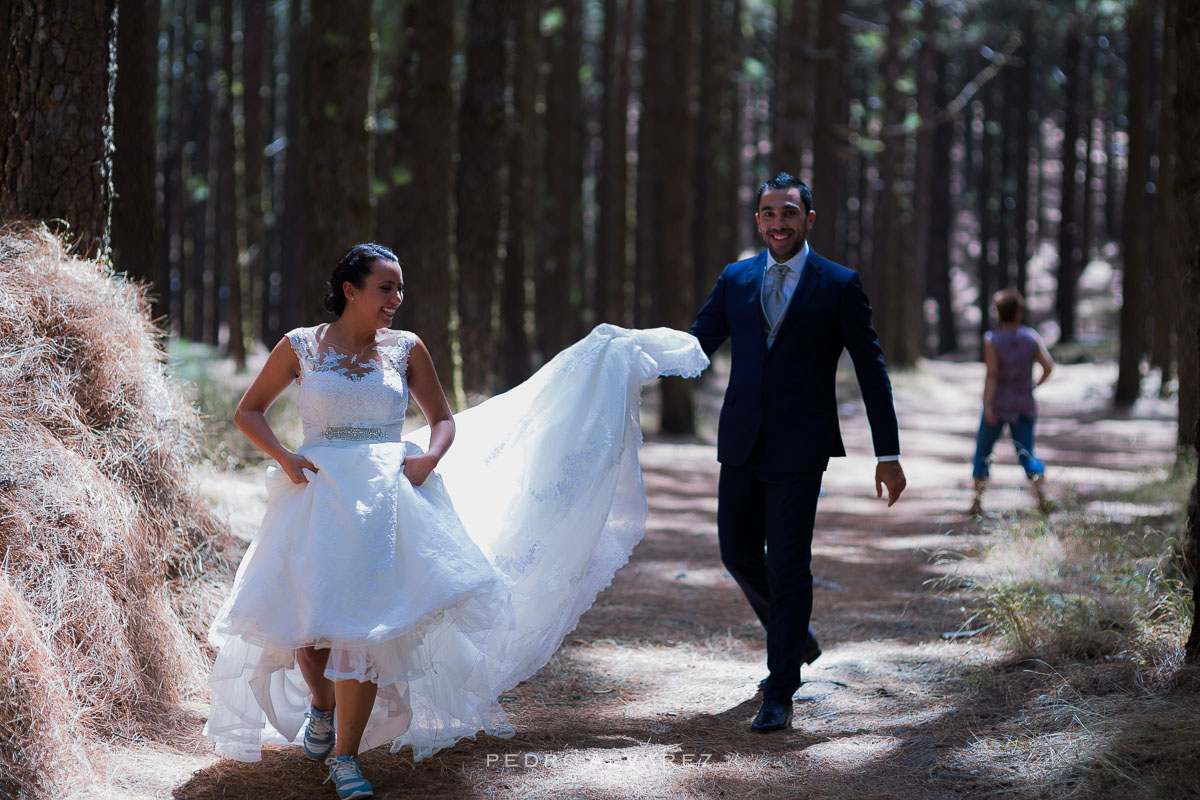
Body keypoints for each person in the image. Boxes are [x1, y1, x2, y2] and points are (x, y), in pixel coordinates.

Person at [204, 243, 708, 797]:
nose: (397, 299)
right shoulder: (300, 347)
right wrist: (285, 456)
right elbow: (247, 411)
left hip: (385, 499)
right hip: (318, 495)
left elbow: (441, 420)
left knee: (364, 630)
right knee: (309, 623)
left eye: (400, 288)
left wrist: (428, 458)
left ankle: (346, 757)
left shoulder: (406, 349)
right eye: (385, 288)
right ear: (350, 291)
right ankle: (321, 708)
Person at [688, 172, 906, 733]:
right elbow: (696, 345)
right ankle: (797, 637)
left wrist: (888, 451)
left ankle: (780, 686)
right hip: (740, 440)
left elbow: (871, 368)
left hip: (800, 447)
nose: (777, 223)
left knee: (788, 564)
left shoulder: (838, 284)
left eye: (788, 213)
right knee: (737, 553)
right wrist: (629, 359)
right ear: (757, 220)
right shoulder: (735, 279)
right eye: (767, 213)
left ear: (808, 220)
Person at [968, 288, 1054, 516]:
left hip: (998, 405)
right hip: (1024, 404)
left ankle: (977, 502)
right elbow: (1048, 366)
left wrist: (987, 405)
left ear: (999, 313)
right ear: (1018, 313)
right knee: (1026, 452)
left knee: (983, 452)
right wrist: (1034, 385)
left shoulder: (992, 340)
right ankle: (1042, 497)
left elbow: (993, 373)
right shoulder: (1031, 337)